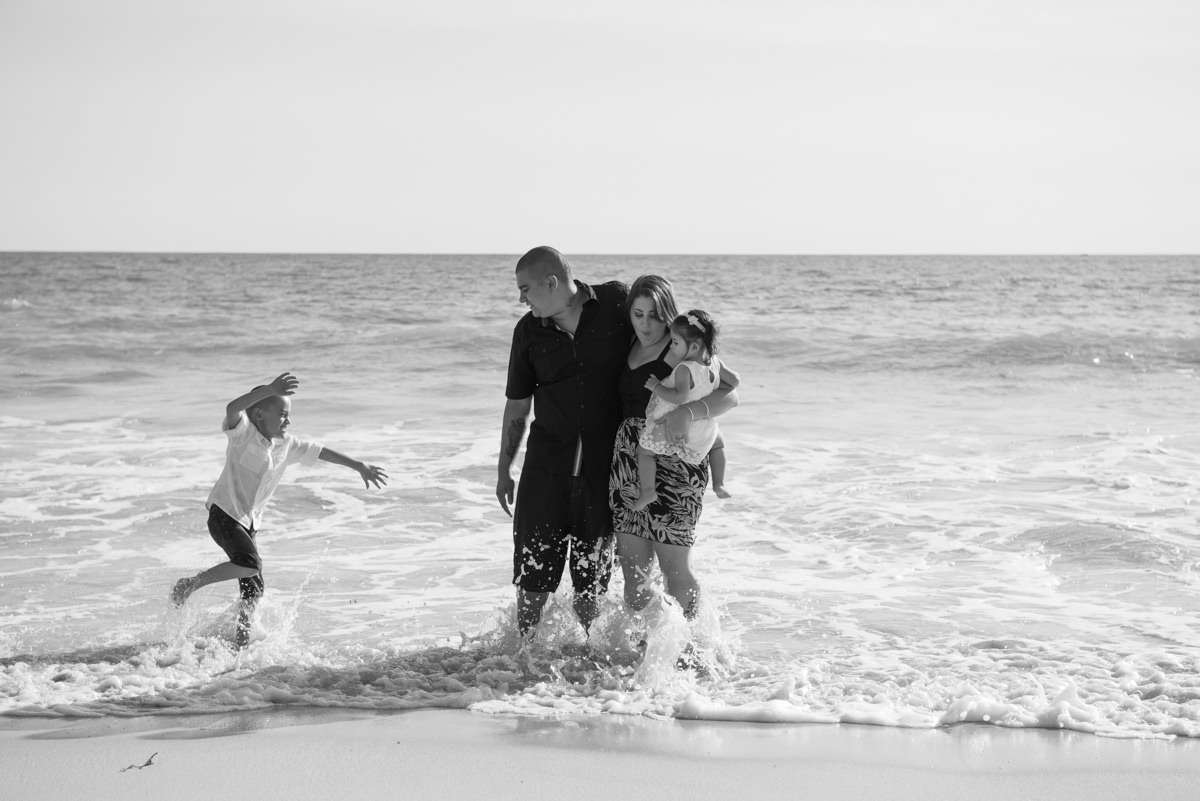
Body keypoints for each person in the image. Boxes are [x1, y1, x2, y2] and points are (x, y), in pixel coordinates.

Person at [170, 372, 388, 648]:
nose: (288, 420)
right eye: (283, 414)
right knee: (250, 564)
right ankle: (190, 585)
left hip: (248, 523)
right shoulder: (242, 433)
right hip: (224, 515)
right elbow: (232, 408)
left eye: (289, 415)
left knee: (255, 587)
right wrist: (270, 388)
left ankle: (241, 642)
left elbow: (320, 451)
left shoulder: (288, 445)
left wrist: (358, 465)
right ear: (259, 414)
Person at [497, 246, 632, 640]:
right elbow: (518, 405)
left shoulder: (615, 304)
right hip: (545, 474)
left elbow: (661, 335)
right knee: (532, 585)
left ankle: (585, 665)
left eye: (526, 289)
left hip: (602, 474)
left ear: (551, 282)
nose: (522, 298)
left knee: (591, 588)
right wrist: (504, 469)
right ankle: (523, 661)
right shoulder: (528, 331)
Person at [609, 276, 739, 625]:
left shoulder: (685, 349)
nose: (646, 324)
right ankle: (647, 652)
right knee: (634, 577)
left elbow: (730, 394)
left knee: (675, 571)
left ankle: (697, 648)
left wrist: (687, 411)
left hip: (677, 461)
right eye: (638, 314)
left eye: (654, 315)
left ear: (669, 314)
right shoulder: (627, 345)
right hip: (630, 460)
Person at [632, 309, 726, 512]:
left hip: (677, 423)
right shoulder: (714, 365)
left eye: (675, 342)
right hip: (703, 424)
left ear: (693, 346)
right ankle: (719, 483)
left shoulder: (686, 368)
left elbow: (680, 397)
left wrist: (655, 386)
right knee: (718, 445)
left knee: (645, 451)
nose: (671, 347)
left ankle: (648, 490)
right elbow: (734, 381)